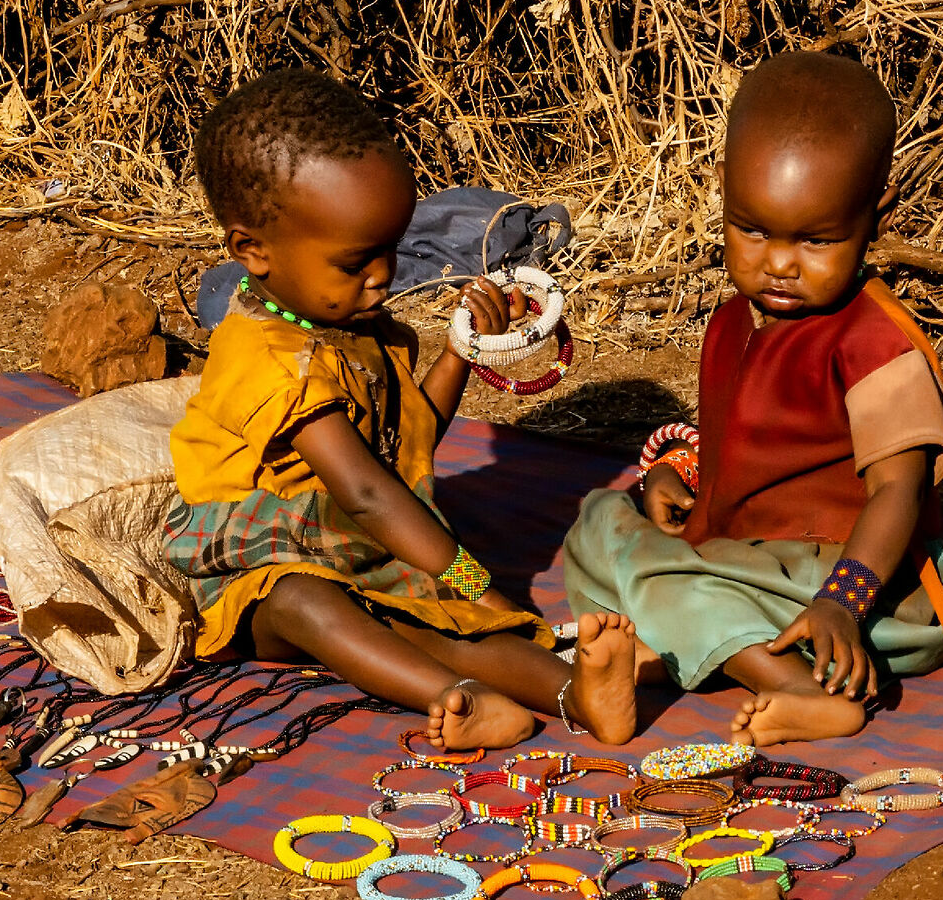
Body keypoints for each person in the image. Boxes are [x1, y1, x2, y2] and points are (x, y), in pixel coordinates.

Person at [169, 69, 637, 750]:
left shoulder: (359, 329)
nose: (383, 275)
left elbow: (402, 439)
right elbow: (364, 491)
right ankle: (455, 697)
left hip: (360, 543)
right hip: (257, 568)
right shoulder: (267, 356)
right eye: (356, 261)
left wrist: (460, 354)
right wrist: (475, 583)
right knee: (315, 604)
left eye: (389, 249)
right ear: (253, 251)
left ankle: (583, 696)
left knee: (439, 622)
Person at [562, 51, 943, 746]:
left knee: (666, 578)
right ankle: (692, 651)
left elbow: (899, 490)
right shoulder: (734, 319)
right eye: (752, 230)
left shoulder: (874, 346)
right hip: (744, 562)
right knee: (599, 520)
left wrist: (844, 601)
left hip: (864, 593)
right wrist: (678, 473)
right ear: (723, 194)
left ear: (876, 216)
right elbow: (743, 441)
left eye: (816, 240)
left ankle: (802, 691)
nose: (778, 262)